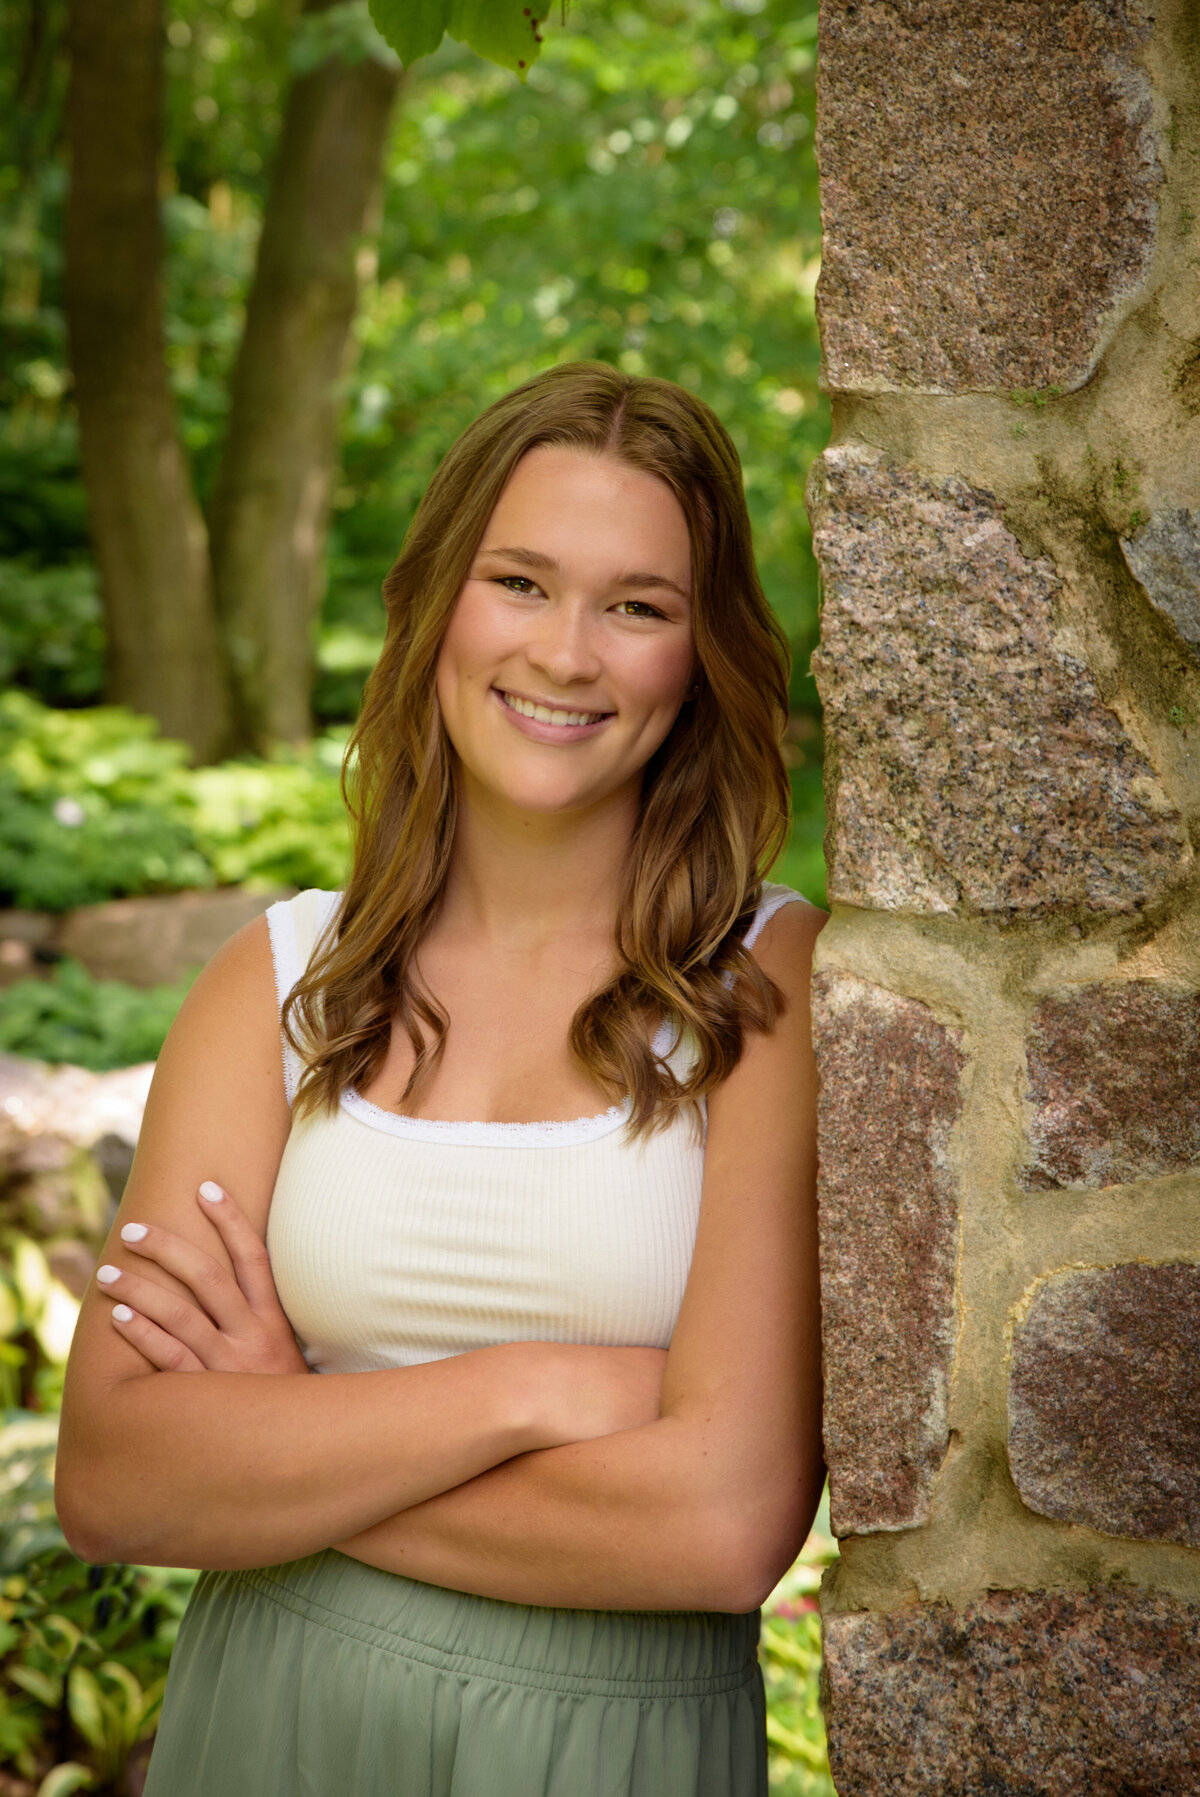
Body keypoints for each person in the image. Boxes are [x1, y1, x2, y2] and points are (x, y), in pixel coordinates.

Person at [55, 362, 826, 1797]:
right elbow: (114, 1474)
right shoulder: (278, 979)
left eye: (639, 605)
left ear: (700, 651)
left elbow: (722, 1524)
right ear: (436, 604)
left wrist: (285, 1431)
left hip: (606, 1749)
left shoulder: (767, 988)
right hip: (273, 1720)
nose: (568, 652)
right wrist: (537, 1386)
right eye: (521, 582)